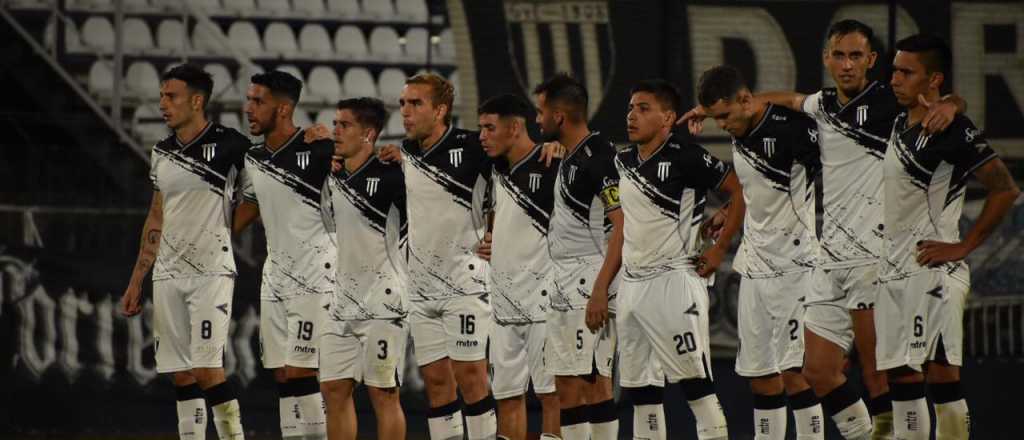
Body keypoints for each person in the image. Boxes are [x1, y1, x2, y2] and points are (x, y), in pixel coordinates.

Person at [682, 19, 964, 440]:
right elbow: (792, 99)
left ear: (871, 60)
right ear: (827, 58)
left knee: (880, 375)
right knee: (815, 371)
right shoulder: (824, 105)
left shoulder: (888, 101)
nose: (847, 64)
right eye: (839, 55)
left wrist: (953, 104)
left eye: (856, 56)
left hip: (871, 255)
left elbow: (938, 101)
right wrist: (719, 109)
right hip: (829, 260)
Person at [879, 34, 1019, 440]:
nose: (895, 79)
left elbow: (1005, 189)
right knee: (902, 378)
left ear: (934, 79)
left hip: (932, 273)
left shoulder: (952, 128)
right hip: (893, 270)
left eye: (907, 72)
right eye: (894, 70)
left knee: (942, 377)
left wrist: (964, 246)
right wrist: (955, 100)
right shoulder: (897, 121)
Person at [696, 65, 826, 440]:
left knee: (796, 375)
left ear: (745, 100)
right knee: (761, 377)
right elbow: (753, 190)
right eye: (715, 118)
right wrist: (727, 211)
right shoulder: (741, 127)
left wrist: (719, 249)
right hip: (755, 267)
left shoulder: (794, 130)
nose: (722, 125)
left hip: (795, 267)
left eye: (724, 115)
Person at [120, 64, 249, 440]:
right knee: (181, 375)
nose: (162, 103)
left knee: (208, 370)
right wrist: (137, 279)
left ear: (196, 101)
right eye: (161, 96)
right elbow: (156, 214)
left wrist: (224, 230)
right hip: (167, 273)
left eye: (171, 96)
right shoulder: (161, 152)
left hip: (211, 272)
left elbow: (258, 196)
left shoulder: (232, 145)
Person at [615, 79, 739, 440]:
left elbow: (740, 190)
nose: (632, 116)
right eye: (630, 108)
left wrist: (719, 249)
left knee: (695, 385)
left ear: (668, 118)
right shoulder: (622, 160)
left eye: (643, 109)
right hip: (631, 286)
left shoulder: (686, 155)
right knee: (642, 392)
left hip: (674, 282)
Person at [378, 73, 497, 440]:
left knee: (472, 377)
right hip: (421, 287)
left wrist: (497, 231)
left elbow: (512, 178)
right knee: (436, 383)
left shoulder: (474, 146)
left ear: (441, 110)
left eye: (416, 103)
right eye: (403, 103)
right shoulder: (407, 152)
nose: (406, 111)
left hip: (465, 283)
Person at [533, 73, 639, 440]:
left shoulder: (600, 159)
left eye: (540, 112)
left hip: (590, 283)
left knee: (594, 383)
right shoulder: (572, 154)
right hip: (565, 284)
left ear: (558, 116)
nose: (537, 120)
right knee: (566, 386)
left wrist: (599, 290)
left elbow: (622, 227)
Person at [239, 70, 335, 440]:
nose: (248, 108)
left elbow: (364, 173)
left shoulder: (319, 150)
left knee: (301, 370)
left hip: (315, 275)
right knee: (281, 373)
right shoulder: (254, 158)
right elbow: (251, 206)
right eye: (248, 99)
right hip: (275, 275)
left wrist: (335, 141)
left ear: (283, 109)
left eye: (257, 101)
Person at [319, 97, 409, 440]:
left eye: (345, 125)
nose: (336, 131)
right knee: (333, 390)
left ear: (368, 134)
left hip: (383, 303)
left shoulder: (393, 177)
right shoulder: (331, 176)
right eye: (335, 123)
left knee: (384, 394)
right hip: (341, 302)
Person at [474, 94, 561, 440]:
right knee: (507, 396)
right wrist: (493, 238)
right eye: (481, 128)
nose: (482, 136)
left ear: (514, 128)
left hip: (545, 304)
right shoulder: (494, 169)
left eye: (489, 128)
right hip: (503, 305)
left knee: (552, 396)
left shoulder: (554, 165)